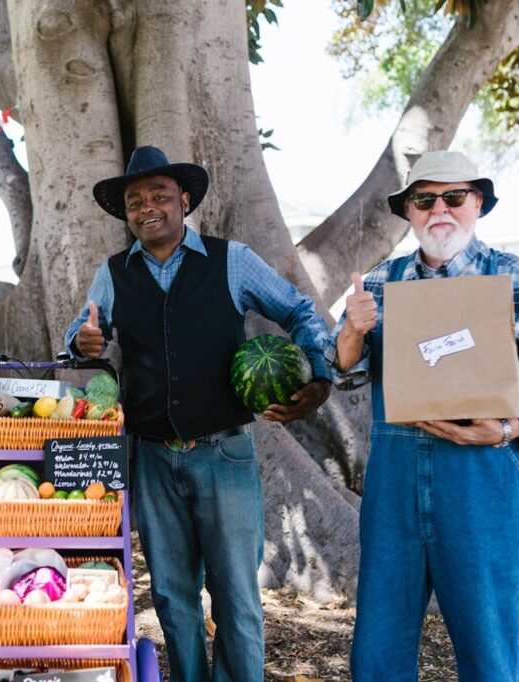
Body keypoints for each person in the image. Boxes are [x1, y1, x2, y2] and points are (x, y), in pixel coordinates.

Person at [65, 146, 332, 682]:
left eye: (159, 195)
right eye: (134, 201)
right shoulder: (113, 274)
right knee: (171, 595)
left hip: (223, 451)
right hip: (153, 459)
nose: (146, 207)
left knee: (235, 595)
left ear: (184, 200)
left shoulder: (231, 260)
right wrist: (85, 341)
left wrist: (320, 374)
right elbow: (81, 335)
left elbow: (298, 309)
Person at [330, 151, 519, 681]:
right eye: (425, 199)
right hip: (394, 492)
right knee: (377, 654)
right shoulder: (380, 283)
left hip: (483, 483)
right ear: (409, 212)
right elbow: (347, 376)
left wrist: (511, 427)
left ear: (478, 204)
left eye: (454, 197)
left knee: (490, 655)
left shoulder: (516, 279)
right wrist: (350, 333)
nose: (439, 209)